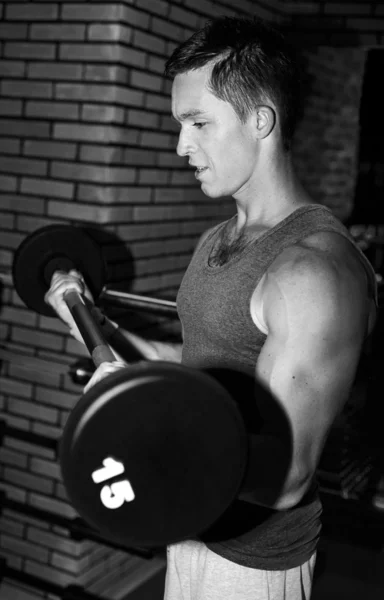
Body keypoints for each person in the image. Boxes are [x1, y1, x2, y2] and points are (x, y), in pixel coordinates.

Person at [45, 16, 378, 600]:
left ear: (261, 120)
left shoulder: (312, 272)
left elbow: (284, 475)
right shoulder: (219, 238)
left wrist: (137, 429)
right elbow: (196, 367)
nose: (181, 145)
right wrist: (85, 317)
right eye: (180, 124)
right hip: (192, 527)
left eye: (198, 123)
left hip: (252, 562)